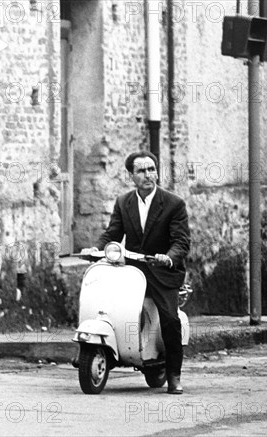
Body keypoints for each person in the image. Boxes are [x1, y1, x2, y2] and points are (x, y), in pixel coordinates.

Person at [82, 150, 190, 394]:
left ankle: (174, 375)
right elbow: (113, 233)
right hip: (132, 272)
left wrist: (168, 257)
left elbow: (181, 241)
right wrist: (96, 248)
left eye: (152, 169)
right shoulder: (124, 202)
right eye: (141, 171)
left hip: (163, 273)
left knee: (169, 319)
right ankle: (104, 348)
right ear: (131, 176)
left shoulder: (174, 203)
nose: (148, 175)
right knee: (108, 306)